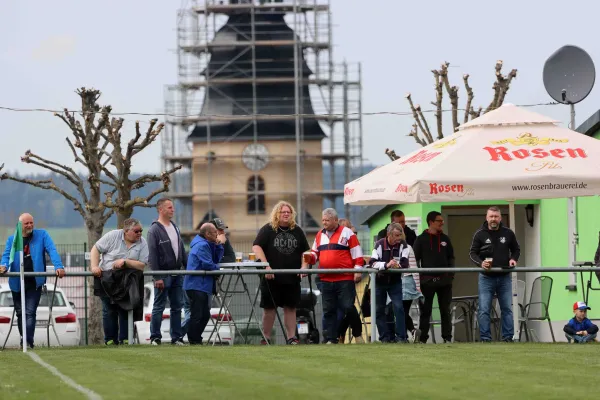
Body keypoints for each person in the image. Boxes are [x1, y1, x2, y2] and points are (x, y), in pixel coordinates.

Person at [0, 213, 65, 349]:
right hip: (17, 282)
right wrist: (3, 266)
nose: (29, 225)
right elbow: (7, 256)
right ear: (20, 225)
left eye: (31, 223)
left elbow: (52, 250)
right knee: (20, 313)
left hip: (35, 282)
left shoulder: (42, 235)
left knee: (30, 312)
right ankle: (25, 338)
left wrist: (59, 266)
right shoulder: (13, 239)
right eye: (26, 223)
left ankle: (27, 341)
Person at [252, 201, 310, 345]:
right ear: (277, 214)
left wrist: (304, 266)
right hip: (271, 278)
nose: (285, 214)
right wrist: (266, 266)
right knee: (269, 309)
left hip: (291, 277)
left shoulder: (297, 230)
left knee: (290, 308)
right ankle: (266, 338)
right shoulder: (268, 229)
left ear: (292, 215)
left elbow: (306, 251)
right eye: (282, 212)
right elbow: (256, 247)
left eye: (288, 212)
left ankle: (291, 338)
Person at [306, 208, 364, 344]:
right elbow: (315, 253)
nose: (324, 223)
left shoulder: (347, 233)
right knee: (328, 310)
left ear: (335, 220)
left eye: (327, 220)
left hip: (344, 278)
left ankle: (357, 334)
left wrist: (358, 270)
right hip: (326, 279)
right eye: (323, 220)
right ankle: (332, 339)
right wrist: (310, 257)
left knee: (348, 307)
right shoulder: (320, 235)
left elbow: (357, 253)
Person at [90, 218, 149, 345]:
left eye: (141, 231)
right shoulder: (112, 236)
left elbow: (142, 265)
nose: (140, 234)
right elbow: (96, 249)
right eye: (136, 231)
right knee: (109, 309)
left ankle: (125, 339)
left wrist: (126, 262)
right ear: (126, 231)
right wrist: (94, 267)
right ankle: (110, 340)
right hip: (107, 279)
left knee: (125, 308)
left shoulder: (143, 242)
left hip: (128, 281)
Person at [469, 206, 520, 343]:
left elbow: (516, 249)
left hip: (504, 276)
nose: (493, 219)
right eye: (491, 216)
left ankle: (508, 337)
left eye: (496, 217)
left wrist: (513, 259)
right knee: (484, 309)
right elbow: (472, 253)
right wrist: (481, 263)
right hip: (486, 277)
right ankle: (485, 338)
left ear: (500, 218)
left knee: (507, 309)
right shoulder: (479, 234)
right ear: (486, 218)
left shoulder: (508, 233)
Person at [182, 217, 235, 339]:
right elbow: (209, 264)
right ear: (207, 234)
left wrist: (219, 244)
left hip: (202, 285)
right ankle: (191, 338)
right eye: (216, 232)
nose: (219, 235)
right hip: (196, 284)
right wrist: (217, 268)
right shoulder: (202, 245)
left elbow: (219, 258)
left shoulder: (208, 243)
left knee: (204, 315)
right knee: (197, 314)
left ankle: (194, 338)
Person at [147, 198, 187, 346]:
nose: (173, 210)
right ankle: (155, 338)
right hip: (163, 274)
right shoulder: (154, 230)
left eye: (173, 207)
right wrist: (157, 277)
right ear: (161, 209)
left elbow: (181, 249)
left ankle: (176, 338)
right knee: (159, 306)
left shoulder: (175, 227)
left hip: (177, 274)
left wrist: (187, 268)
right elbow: (153, 255)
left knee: (177, 307)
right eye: (170, 207)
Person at [413, 211, 455, 344]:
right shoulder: (421, 239)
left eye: (442, 220)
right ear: (431, 222)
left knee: (445, 310)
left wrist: (450, 275)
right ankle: (423, 339)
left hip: (444, 282)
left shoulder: (445, 239)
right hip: (427, 282)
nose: (442, 223)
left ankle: (447, 338)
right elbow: (414, 260)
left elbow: (451, 257)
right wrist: (420, 279)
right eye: (439, 221)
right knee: (425, 311)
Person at [369, 223, 415, 343]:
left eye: (400, 235)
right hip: (380, 281)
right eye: (396, 235)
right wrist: (386, 265)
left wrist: (396, 265)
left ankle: (401, 337)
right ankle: (384, 338)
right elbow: (372, 262)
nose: (399, 238)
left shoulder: (403, 245)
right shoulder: (379, 244)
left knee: (399, 308)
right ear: (389, 234)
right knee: (379, 309)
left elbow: (405, 263)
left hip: (395, 281)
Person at [336, 218, 364, 344]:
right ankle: (339, 335)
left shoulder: (352, 238)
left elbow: (358, 256)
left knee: (347, 308)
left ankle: (347, 334)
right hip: (336, 279)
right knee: (345, 309)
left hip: (348, 279)